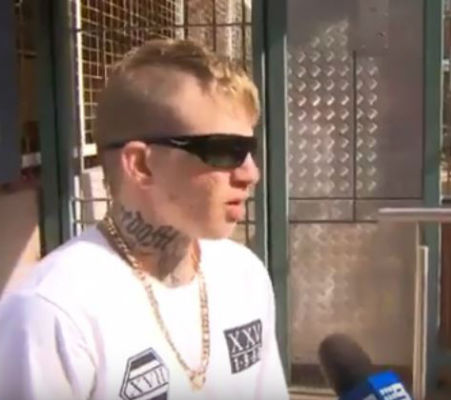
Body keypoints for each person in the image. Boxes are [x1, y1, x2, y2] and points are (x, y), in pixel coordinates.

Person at [0, 39, 289, 400]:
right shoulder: (51, 312)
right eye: (223, 151)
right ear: (140, 165)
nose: (250, 173)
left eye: (249, 149)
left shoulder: (243, 274)